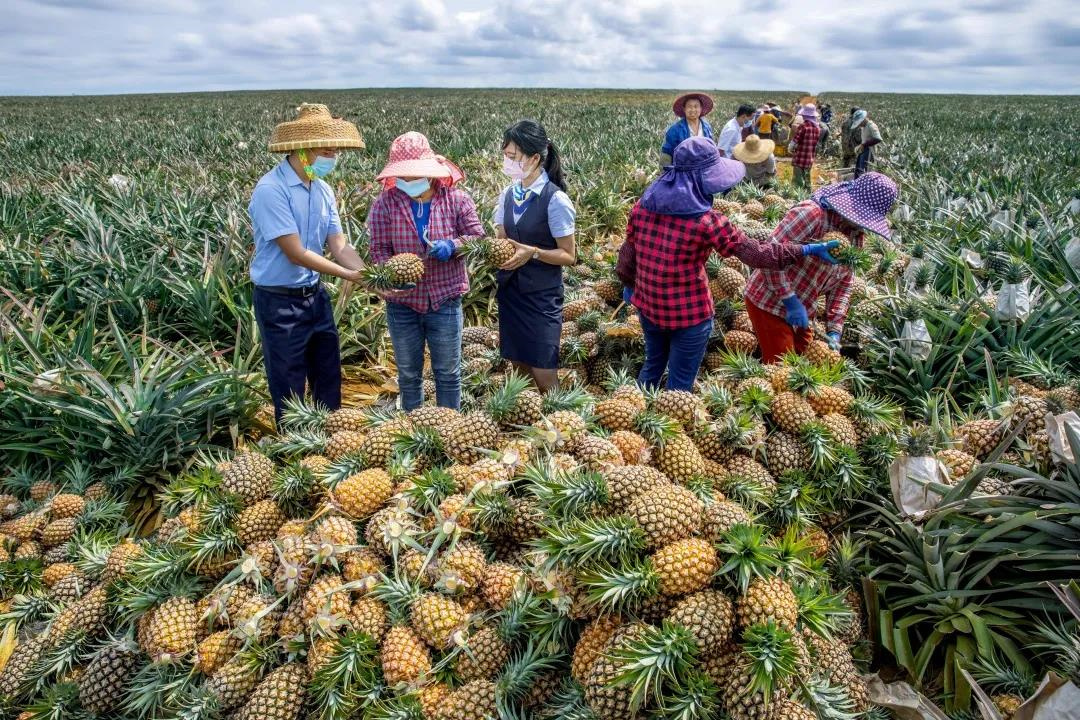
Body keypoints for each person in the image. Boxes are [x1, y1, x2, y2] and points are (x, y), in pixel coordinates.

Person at [615, 136, 840, 391]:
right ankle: (670, 418)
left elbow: (627, 254)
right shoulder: (709, 222)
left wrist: (629, 284)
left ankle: (640, 408)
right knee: (679, 384)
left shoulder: (642, 207)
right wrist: (806, 248)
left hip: (649, 308)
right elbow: (758, 255)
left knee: (652, 366)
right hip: (690, 316)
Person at [248, 103, 368, 424]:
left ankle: (330, 440)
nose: (332, 158)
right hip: (279, 301)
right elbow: (296, 253)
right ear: (303, 149)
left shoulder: (323, 188)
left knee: (328, 374)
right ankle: (295, 450)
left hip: (314, 296)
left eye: (335, 152)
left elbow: (339, 244)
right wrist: (349, 275)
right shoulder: (271, 190)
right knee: (288, 382)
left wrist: (368, 273)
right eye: (326, 151)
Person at [367, 132, 484, 411]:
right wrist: (391, 271)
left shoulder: (457, 200)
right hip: (402, 303)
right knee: (408, 375)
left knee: (448, 373)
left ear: (430, 172)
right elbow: (378, 249)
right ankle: (412, 428)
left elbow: (478, 238)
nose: (408, 181)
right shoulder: (385, 204)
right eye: (403, 176)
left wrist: (453, 246)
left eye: (414, 174)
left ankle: (449, 425)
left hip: (445, 298)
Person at [743, 172, 898, 363]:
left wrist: (834, 330)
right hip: (769, 301)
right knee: (781, 366)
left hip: (804, 309)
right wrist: (790, 299)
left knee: (805, 360)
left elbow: (844, 283)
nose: (861, 223)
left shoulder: (856, 235)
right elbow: (769, 256)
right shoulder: (812, 214)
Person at [494, 120, 577, 392]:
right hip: (511, 292)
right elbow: (501, 238)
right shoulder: (507, 194)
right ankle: (528, 427)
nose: (508, 163)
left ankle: (558, 424)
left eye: (513, 157)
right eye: (506, 156)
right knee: (517, 365)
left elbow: (568, 255)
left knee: (544, 368)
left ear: (534, 158)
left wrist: (535, 253)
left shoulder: (555, 200)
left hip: (541, 297)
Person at [660, 92, 715, 166]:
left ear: (701, 108)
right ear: (684, 109)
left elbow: (711, 149)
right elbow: (666, 153)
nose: (693, 110)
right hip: (682, 170)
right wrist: (668, 172)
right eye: (689, 106)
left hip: (704, 168)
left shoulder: (706, 127)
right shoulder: (675, 129)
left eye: (696, 106)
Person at [789, 104, 821, 189]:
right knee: (807, 178)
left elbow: (795, 140)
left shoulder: (804, 126)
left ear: (806, 115)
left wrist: (790, 147)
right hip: (809, 158)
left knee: (798, 180)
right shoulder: (817, 128)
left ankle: (797, 197)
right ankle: (808, 194)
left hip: (800, 157)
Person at [851, 109, 883, 178]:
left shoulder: (871, 125)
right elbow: (865, 140)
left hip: (869, 152)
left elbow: (878, 138)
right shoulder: (864, 127)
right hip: (864, 151)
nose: (859, 125)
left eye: (859, 123)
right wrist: (860, 146)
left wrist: (864, 145)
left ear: (863, 119)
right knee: (859, 170)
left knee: (866, 172)